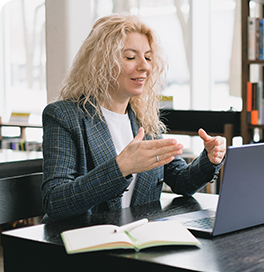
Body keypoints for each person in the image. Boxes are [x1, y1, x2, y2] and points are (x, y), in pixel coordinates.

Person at [41, 13, 226, 223]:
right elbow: (55, 201)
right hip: (83, 244)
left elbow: (181, 180)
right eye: (131, 57)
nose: (145, 66)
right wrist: (121, 168)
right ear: (101, 62)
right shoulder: (63, 116)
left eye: (148, 57)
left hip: (138, 242)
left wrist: (209, 159)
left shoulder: (144, 118)